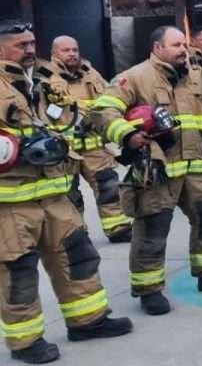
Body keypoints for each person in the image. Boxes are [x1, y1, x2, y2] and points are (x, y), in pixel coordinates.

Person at [0, 21, 132, 363]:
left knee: (77, 257)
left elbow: (71, 120)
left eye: (31, 43)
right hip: (12, 201)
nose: (29, 50)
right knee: (19, 272)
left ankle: (88, 321)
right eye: (20, 45)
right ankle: (26, 342)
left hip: (57, 192)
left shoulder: (43, 81)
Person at [92, 26, 202, 316]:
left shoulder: (195, 77)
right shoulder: (135, 77)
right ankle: (149, 291)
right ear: (156, 47)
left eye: (184, 45)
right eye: (176, 45)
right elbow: (103, 110)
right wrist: (127, 135)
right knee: (152, 230)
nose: (183, 50)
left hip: (198, 168)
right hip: (157, 170)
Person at [44, 36, 132, 243]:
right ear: (54, 53)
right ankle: (76, 232)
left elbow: (108, 98)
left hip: (95, 146)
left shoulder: (91, 74)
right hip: (65, 150)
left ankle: (117, 226)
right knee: (69, 195)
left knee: (109, 187)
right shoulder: (45, 78)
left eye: (75, 49)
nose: (72, 54)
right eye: (66, 50)